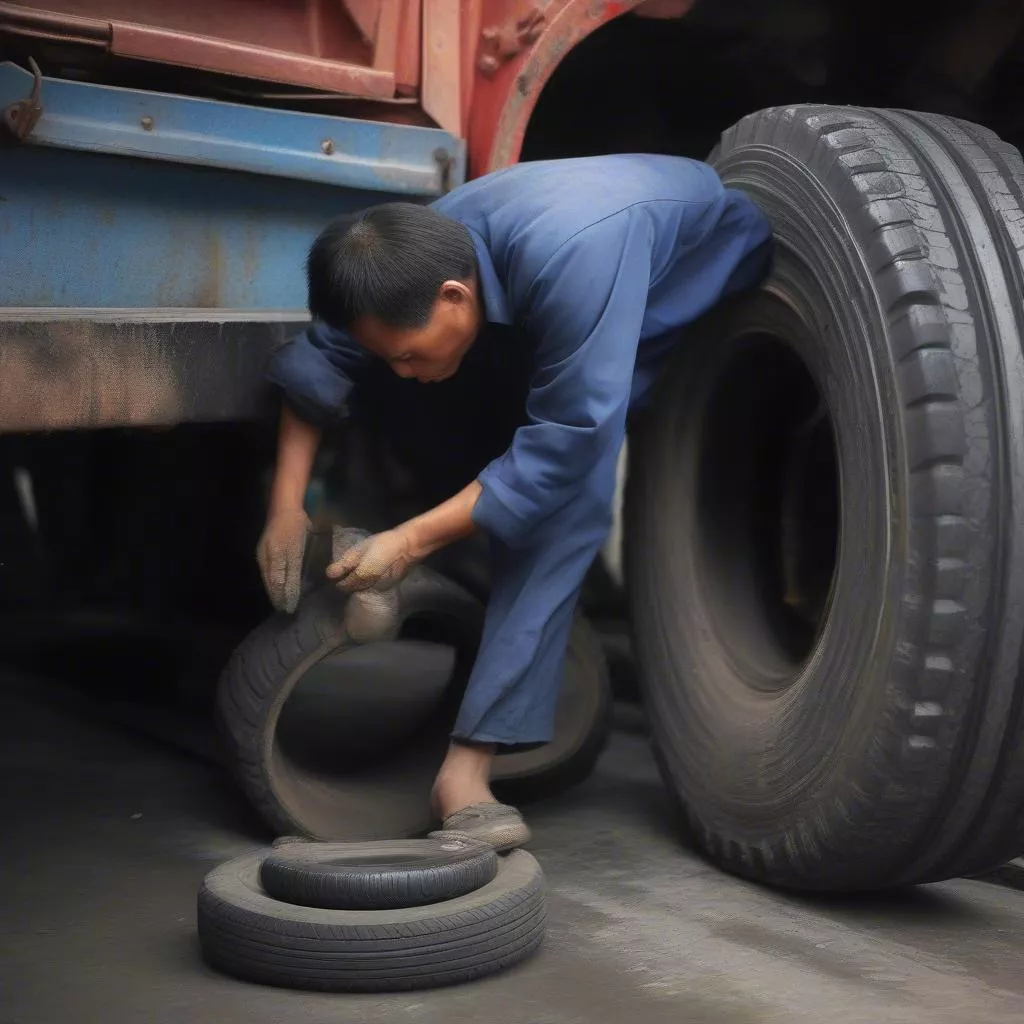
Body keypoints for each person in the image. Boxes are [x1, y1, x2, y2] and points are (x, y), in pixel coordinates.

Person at [257, 153, 773, 850]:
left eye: (408, 353)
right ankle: (492, 605)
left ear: (453, 297)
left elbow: (561, 446)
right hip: (554, 291)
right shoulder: (407, 253)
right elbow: (325, 364)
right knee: (448, 416)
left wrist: (409, 542)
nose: (403, 370)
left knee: (564, 499)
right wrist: (285, 507)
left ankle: (465, 773)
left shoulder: (576, 259)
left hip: (680, 280)